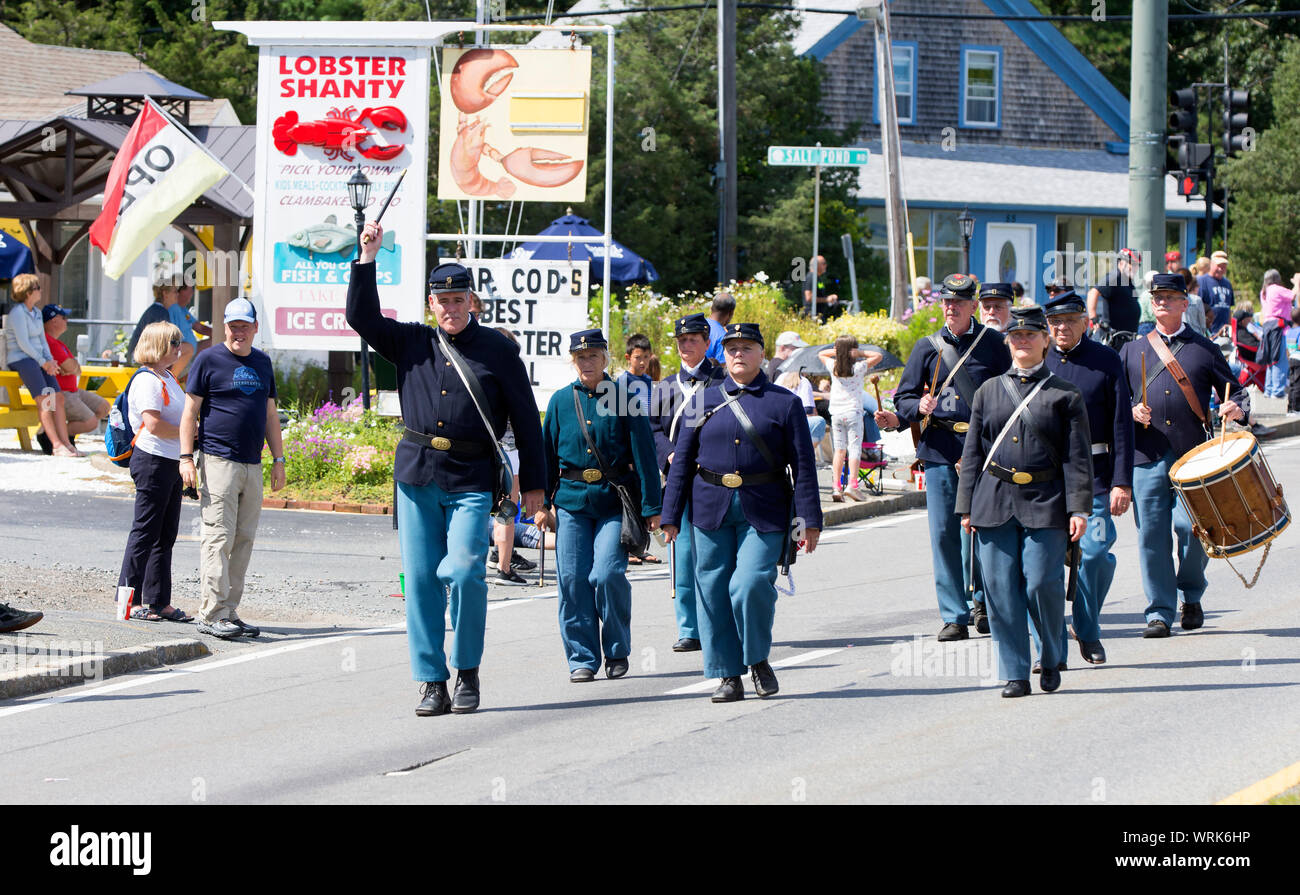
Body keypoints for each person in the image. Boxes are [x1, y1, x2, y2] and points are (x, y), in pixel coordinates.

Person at [346, 221, 545, 716]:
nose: (451, 309)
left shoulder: (499, 351)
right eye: (442, 301)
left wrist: (536, 488)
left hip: (472, 477)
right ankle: (432, 679)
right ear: (431, 304)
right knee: (419, 579)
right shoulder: (412, 342)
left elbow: (525, 418)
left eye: (459, 300)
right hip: (416, 475)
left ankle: (468, 671)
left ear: (471, 302)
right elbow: (361, 317)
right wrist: (367, 257)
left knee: (463, 571)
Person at [660, 322, 823, 702]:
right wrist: (670, 514)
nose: (739, 354)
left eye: (747, 348)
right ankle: (727, 674)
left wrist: (809, 520)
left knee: (749, 585)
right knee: (712, 589)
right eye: (732, 348)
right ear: (723, 354)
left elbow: (803, 467)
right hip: (708, 506)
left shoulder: (784, 403)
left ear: (762, 354)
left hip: (764, 508)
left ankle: (757, 658)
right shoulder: (703, 399)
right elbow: (682, 460)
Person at [956, 306, 1092, 698]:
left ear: (1045, 341)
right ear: (1008, 342)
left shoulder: (1065, 394)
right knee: (999, 589)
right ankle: (1015, 671)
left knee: (1041, 585)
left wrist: (1079, 507)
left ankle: (1050, 655)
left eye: (1030, 335)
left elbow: (1077, 457)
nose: (1022, 342)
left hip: (1047, 501)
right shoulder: (988, 390)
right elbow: (973, 454)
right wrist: (966, 507)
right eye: (1016, 336)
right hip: (994, 501)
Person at [875, 273, 1011, 640]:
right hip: (939, 447)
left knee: (985, 529)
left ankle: (985, 601)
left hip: (983, 449)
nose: (951, 308)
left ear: (973, 305)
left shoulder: (995, 344)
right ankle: (955, 614)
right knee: (943, 534)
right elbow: (903, 398)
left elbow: (1012, 393)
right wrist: (915, 406)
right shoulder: (927, 347)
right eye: (947, 302)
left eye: (958, 302)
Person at [1120, 273, 1247, 637]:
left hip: (1193, 457)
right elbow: (1115, 403)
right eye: (1156, 297)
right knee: (1151, 536)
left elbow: (1236, 392)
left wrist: (1234, 408)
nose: (1161, 302)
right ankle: (1159, 611)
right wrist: (1130, 410)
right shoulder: (1131, 349)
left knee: (1193, 531)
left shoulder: (1204, 349)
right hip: (1146, 457)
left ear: (1183, 304)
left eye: (1169, 297)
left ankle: (1191, 593)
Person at [537, 330, 662, 682]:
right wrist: (542, 503)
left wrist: (653, 507)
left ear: (605, 359)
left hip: (613, 502)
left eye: (593, 356)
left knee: (606, 575)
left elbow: (645, 457)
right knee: (573, 580)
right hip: (573, 502)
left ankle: (617, 649)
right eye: (580, 357)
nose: (587, 362)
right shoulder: (561, 401)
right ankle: (582, 657)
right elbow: (546, 457)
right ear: (572, 361)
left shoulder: (625, 399)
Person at [179, 297, 285, 643]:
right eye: (233, 326)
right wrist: (185, 458)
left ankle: (229, 609)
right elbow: (189, 412)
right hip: (217, 459)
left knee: (243, 539)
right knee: (218, 536)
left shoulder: (262, 363)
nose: (239, 332)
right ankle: (211, 612)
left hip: (252, 462)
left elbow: (270, 415)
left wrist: (279, 460)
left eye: (245, 325)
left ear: (255, 328)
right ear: (225, 328)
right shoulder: (209, 359)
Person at [1038, 290, 1134, 667]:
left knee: (1095, 555)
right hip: (1044, 477)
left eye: (1069, 321)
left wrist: (1122, 482)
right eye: (1055, 323)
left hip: (1094, 474)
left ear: (1085, 322)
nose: (1061, 328)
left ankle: (1085, 624)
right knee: (1042, 566)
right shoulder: (1037, 360)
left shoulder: (1106, 360)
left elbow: (1122, 425)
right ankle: (1051, 646)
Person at [649, 313, 726, 652]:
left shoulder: (723, 381)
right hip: (678, 481)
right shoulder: (665, 387)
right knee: (681, 557)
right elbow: (650, 428)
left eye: (694, 339)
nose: (687, 345)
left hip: (715, 480)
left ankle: (720, 621)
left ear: (707, 343)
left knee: (715, 556)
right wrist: (668, 454)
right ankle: (689, 628)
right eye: (682, 340)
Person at [117, 321, 193, 623]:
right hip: (152, 460)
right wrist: (189, 432)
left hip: (170, 460)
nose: (180, 346)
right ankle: (128, 599)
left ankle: (159, 601)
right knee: (145, 532)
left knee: (165, 534)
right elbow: (153, 425)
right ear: (159, 345)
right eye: (174, 342)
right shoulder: (147, 380)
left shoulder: (168, 377)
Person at [4, 274, 79, 456]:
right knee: (45, 400)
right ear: (28, 292)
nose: (41, 291)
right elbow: (23, 343)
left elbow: (42, 341)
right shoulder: (17, 313)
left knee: (58, 397)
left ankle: (67, 444)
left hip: (39, 360)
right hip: (21, 359)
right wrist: (43, 362)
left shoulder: (37, 313)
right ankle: (55, 445)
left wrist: (49, 360)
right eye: (38, 288)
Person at [488, 326, 533, 585]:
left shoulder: (476, 372)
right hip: (508, 455)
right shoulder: (511, 376)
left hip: (478, 453)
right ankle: (504, 566)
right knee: (506, 511)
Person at [818, 336, 882, 502]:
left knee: (839, 450)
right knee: (854, 448)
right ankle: (853, 484)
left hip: (836, 413)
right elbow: (878, 356)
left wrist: (838, 351)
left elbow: (821, 354)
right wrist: (857, 353)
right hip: (853, 412)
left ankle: (836, 487)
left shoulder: (833, 366)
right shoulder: (859, 367)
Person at [42, 304, 110, 446]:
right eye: (64, 317)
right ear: (54, 321)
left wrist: (72, 366)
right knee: (90, 422)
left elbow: (77, 369)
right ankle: (49, 436)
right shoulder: (49, 342)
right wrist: (72, 366)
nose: (67, 321)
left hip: (72, 391)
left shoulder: (58, 342)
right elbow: (71, 366)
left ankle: (63, 435)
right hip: (61, 392)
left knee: (103, 407)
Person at [1259, 270, 1300, 400]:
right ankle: (1277, 390)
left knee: (1271, 360)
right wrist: (1297, 282)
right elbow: (1293, 295)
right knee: (1280, 360)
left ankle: (1269, 389)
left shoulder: (1264, 291)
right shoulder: (1276, 289)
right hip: (1279, 327)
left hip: (1268, 326)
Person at [1087, 247, 1140, 336]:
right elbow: (1093, 292)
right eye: (1132, 264)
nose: (1135, 267)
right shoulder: (1114, 277)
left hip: (1126, 336)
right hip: (1113, 337)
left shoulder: (1127, 280)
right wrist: (1093, 318)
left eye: (1137, 265)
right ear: (1121, 263)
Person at [126, 275, 178, 359]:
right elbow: (161, 342)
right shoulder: (160, 312)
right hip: (140, 359)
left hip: (138, 357)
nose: (177, 294)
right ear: (165, 293)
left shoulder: (156, 310)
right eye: (175, 291)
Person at [776, 369, 825, 450]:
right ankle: (807, 454)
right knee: (820, 421)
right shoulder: (804, 381)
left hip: (776, 423)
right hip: (792, 426)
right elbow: (808, 412)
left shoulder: (781, 378)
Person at [1196, 250, 1235, 335]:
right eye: (1218, 266)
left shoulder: (1227, 284)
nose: (1221, 269)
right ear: (1211, 264)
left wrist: (1230, 330)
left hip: (1224, 332)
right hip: (1207, 333)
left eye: (1224, 266)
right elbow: (1198, 307)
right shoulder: (1202, 281)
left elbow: (1228, 309)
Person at [804, 255, 841, 321]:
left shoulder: (818, 279)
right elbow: (809, 297)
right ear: (816, 265)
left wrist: (830, 298)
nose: (825, 266)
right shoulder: (811, 277)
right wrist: (826, 299)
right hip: (813, 316)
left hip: (820, 315)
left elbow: (820, 294)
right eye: (823, 263)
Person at [705, 291, 735, 364]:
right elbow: (722, 368)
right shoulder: (723, 337)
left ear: (711, 308)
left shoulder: (696, 326)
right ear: (731, 313)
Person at [1179, 267, 1208, 337]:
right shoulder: (1197, 300)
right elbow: (1203, 325)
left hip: (1178, 337)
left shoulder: (1171, 300)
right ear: (1190, 284)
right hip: (1195, 337)